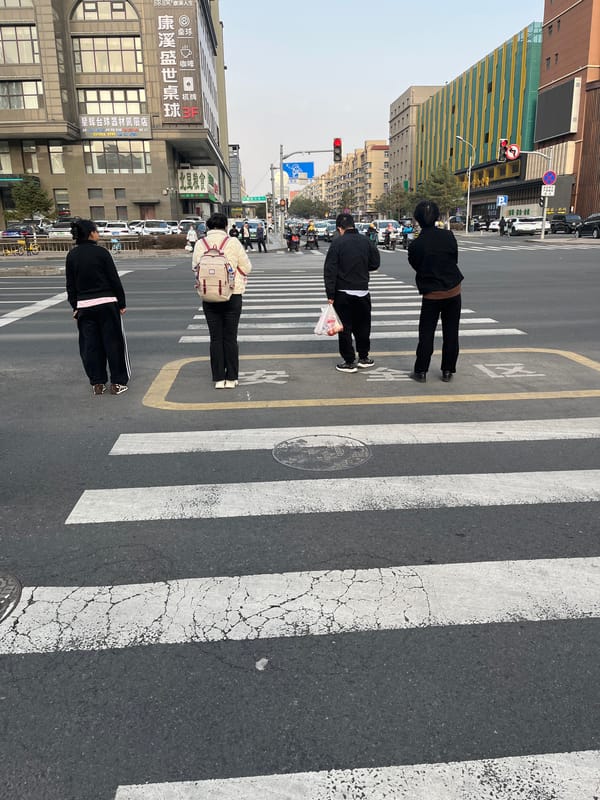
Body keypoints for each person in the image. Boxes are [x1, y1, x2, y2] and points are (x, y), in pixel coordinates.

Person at [65, 218, 130, 395]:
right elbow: (113, 279)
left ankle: (97, 383)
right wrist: (121, 303)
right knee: (113, 343)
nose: (98, 234)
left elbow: (70, 285)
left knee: (91, 345)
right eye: (96, 231)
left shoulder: (72, 255)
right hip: (107, 303)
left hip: (84, 306)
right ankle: (117, 383)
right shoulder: (101, 253)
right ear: (91, 233)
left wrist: (75, 306)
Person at [192, 212, 252, 389]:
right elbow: (247, 268)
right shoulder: (233, 242)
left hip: (209, 296)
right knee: (230, 337)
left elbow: (195, 268)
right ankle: (231, 378)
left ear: (208, 227)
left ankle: (219, 379)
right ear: (226, 226)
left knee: (215, 338)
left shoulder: (200, 244)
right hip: (232, 294)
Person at [407, 200, 464, 383]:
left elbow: (417, 266)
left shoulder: (416, 245)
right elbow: (454, 259)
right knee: (451, 332)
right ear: (437, 217)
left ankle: (421, 371)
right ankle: (447, 370)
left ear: (417, 219)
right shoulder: (448, 236)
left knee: (426, 333)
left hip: (431, 294)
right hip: (453, 291)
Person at [323, 212, 380, 373]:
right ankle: (364, 357)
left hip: (343, 292)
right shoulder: (366, 241)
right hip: (362, 290)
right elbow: (375, 263)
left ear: (340, 228)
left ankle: (349, 361)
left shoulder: (337, 243)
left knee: (345, 328)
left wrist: (330, 295)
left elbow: (330, 270)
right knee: (363, 326)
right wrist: (362, 268)